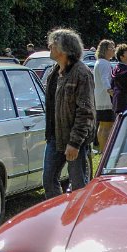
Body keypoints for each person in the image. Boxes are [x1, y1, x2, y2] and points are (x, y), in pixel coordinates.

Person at [42, 28, 95, 199]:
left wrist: (75, 142)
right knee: (48, 181)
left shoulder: (82, 73)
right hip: (55, 138)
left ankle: (80, 215)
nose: (49, 46)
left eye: (53, 43)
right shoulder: (53, 72)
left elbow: (85, 112)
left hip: (74, 140)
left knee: (79, 187)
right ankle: (58, 213)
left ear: (65, 49)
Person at [94, 39, 116, 148]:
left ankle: (103, 149)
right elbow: (105, 79)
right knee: (108, 125)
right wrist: (110, 90)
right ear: (105, 50)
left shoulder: (99, 62)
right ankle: (105, 150)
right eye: (111, 48)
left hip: (100, 98)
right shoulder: (104, 63)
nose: (114, 50)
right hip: (106, 99)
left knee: (103, 125)